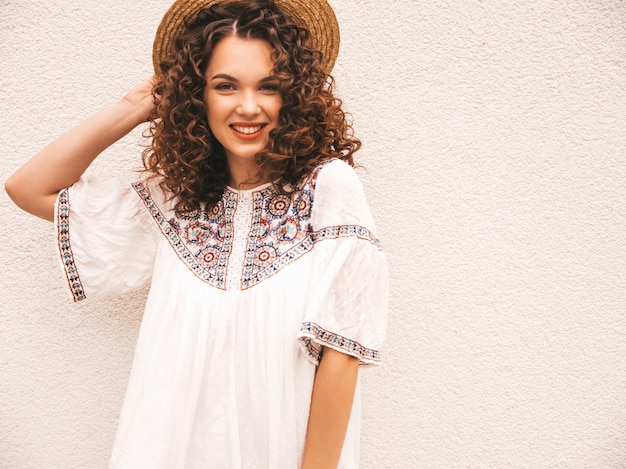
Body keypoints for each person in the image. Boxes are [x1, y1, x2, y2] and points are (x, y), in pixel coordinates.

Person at [5, 0, 387, 467]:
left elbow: (342, 350)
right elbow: (27, 188)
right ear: (197, 95)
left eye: (268, 86)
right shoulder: (173, 200)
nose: (249, 106)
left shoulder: (329, 187)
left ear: (294, 94)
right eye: (225, 86)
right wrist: (135, 106)